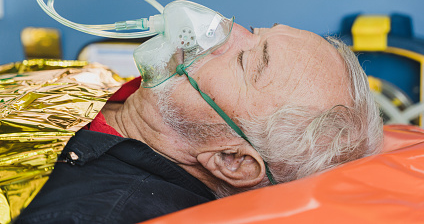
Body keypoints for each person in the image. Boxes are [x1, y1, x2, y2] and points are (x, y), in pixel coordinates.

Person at [15, 23, 383, 223]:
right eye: (254, 30)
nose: (226, 29)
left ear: (231, 160)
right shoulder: (112, 89)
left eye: (247, 62)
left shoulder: (92, 214)